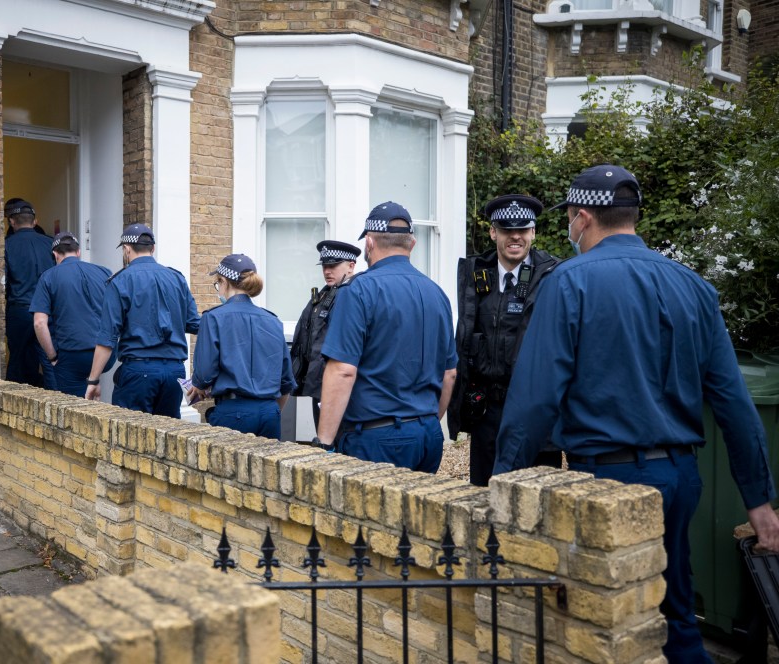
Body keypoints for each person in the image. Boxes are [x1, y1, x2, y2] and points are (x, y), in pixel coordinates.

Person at [492, 164, 779, 664]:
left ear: (582, 218)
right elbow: (733, 402)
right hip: (680, 476)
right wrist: (759, 499)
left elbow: (535, 398)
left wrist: (503, 481)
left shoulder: (569, 282)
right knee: (676, 616)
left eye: (571, 221)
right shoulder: (694, 287)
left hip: (608, 480)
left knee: (609, 626)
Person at [312, 202, 458, 473]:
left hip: (376, 438)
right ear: (411, 244)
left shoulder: (358, 291)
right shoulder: (438, 294)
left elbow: (343, 370)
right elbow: (449, 374)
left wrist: (324, 445)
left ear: (369, 243)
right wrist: (424, 422)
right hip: (427, 434)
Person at [446, 194, 561, 486]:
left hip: (535, 410)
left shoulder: (554, 276)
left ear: (533, 232)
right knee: (484, 495)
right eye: (507, 230)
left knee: (538, 497)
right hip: (488, 412)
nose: (515, 237)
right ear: (493, 232)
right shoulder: (476, 274)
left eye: (522, 230)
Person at [85, 223, 200, 417]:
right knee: (168, 437)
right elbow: (194, 324)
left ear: (126, 249)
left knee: (129, 437)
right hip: (174, 372)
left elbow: (107, 338)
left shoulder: (120, 281)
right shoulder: (177, 278)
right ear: (152, 248)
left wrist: (93, 380)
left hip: (139, 372)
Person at [188, 254, 296, 438]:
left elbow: (204, 373)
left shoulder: (213, 318)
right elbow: (285, 381)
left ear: (224, 282)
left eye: (217, 284)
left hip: (232, 412)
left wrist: (199, 386)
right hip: (269, 412)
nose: (218, 289)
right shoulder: (273, 321)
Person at [29, 232, 115, 396]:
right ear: (78, 252)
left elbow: (39, 323)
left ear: (55, 254)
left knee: (74, 408)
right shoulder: (105, 272)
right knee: (93, 399)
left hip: (73, 355)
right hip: (105, 354)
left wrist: (52, 357)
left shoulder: (48, 277)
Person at [291, 240, 361, 428]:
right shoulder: (323, 295)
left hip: (342, 384)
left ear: (351, 266)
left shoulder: (356, 295)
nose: (327, 271)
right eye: (324, 266)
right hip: (319, 382)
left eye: (333, 266)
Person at [3, 198, 54, 386]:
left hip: (20, 311)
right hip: (48, 312)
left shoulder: (6, 245)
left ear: (11, 222)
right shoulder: (50, 243)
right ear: (35, 221)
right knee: (48, 362)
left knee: (17, 360)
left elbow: (4, 282)